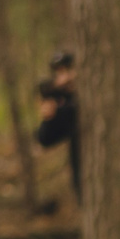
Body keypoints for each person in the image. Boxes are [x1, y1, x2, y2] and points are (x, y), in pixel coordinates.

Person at [34, 51, 80, 200]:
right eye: (59, 73)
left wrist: (59, 110)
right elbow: (45, 139)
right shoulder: (63, 101)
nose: (64, 78)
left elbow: (80, 111)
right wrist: (49, 117)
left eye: (68, 70)